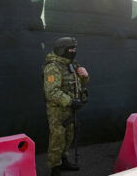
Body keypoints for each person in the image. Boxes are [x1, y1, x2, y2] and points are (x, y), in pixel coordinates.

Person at [43, 37, 89, 176]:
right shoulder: (53, 67)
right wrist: (70, 101)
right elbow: (51, 91)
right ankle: (54, 167)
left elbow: (79, 83)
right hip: (58, 111)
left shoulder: (72, 64)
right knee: (57, 138)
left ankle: (63, 161)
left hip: (70, 109)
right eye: (71, 49)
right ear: (62, 50)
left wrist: (85, 76)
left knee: (69, 136)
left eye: (75, 48)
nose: (74, 51)